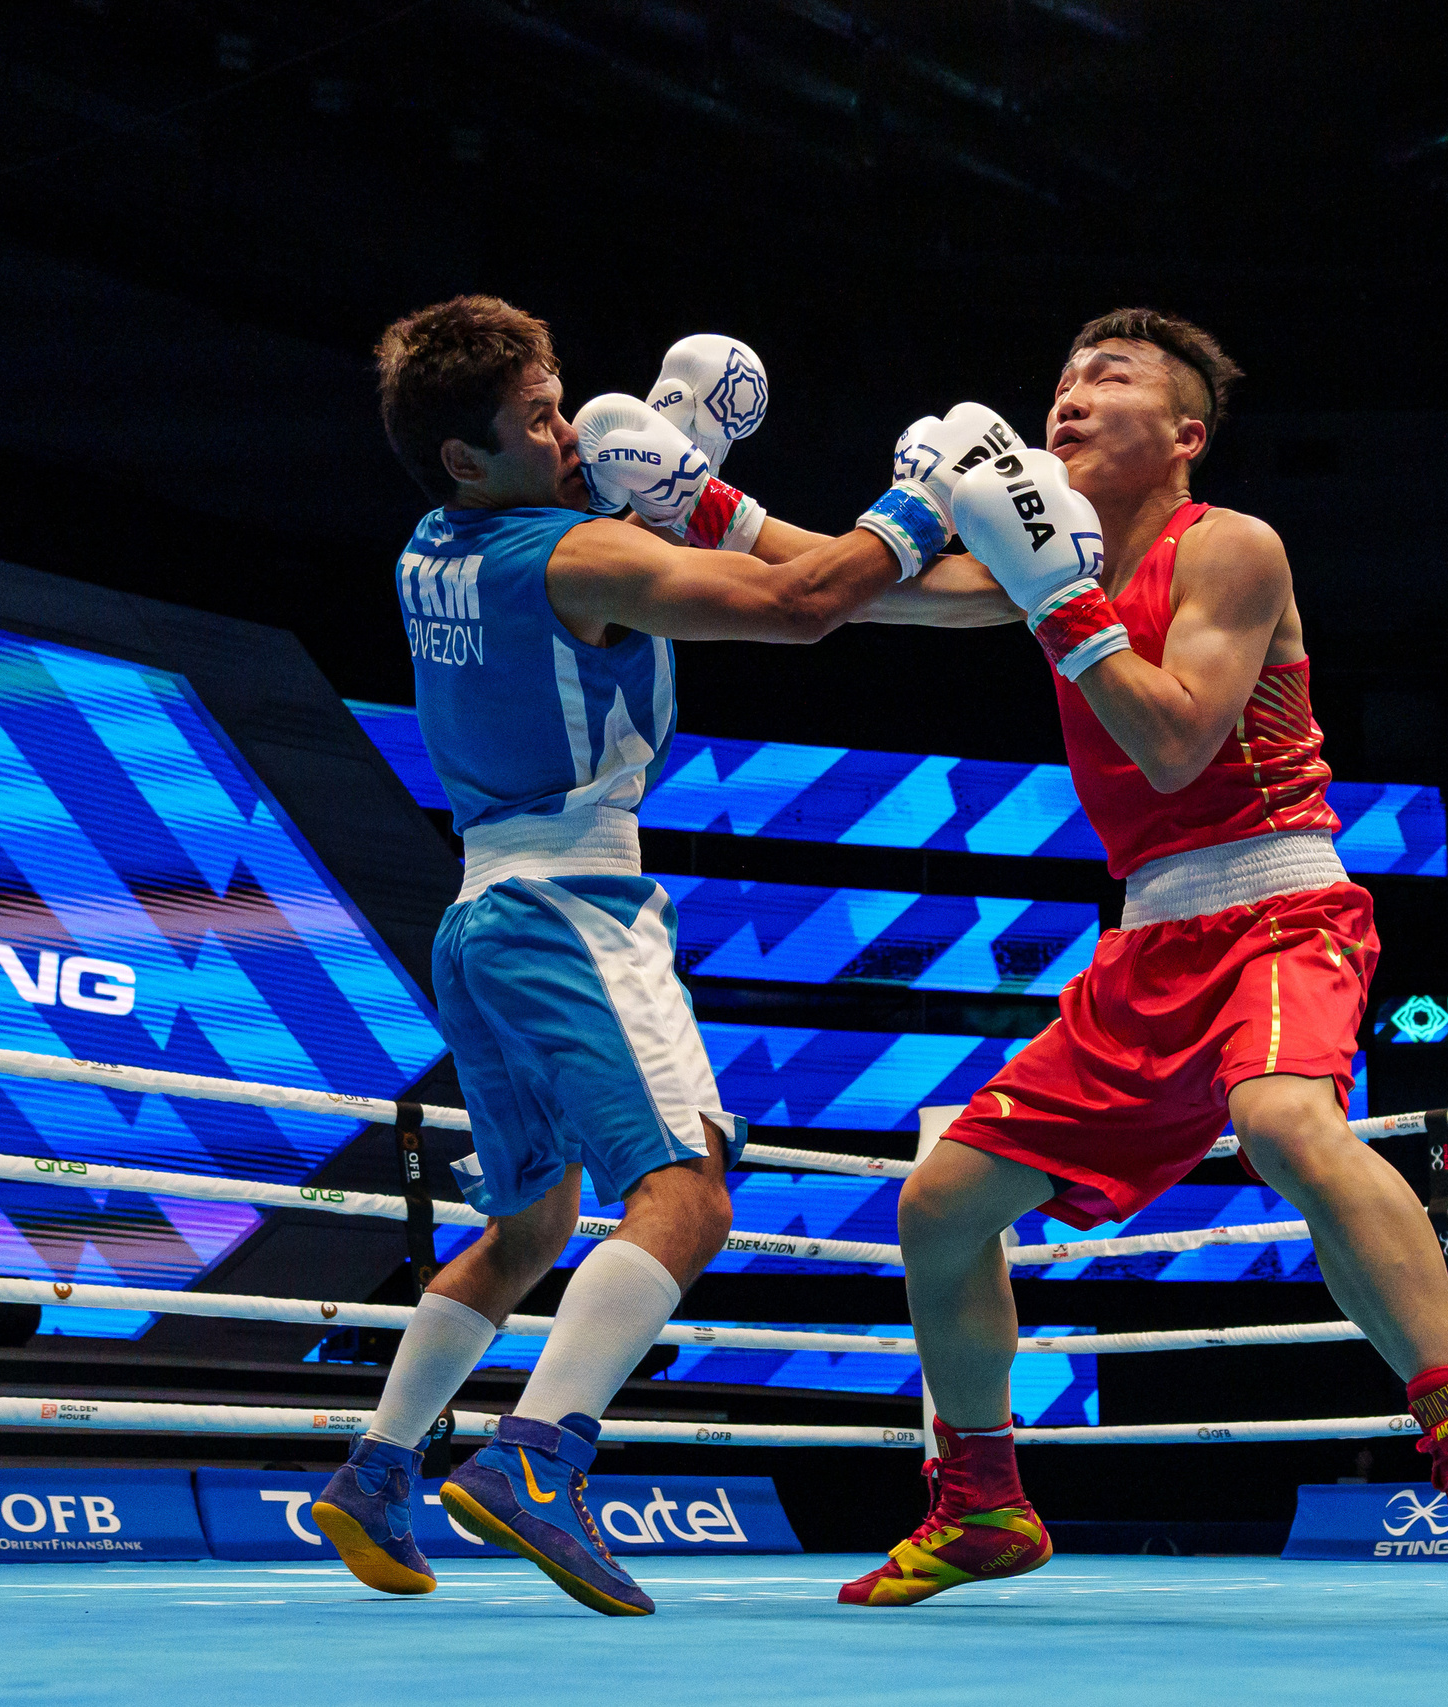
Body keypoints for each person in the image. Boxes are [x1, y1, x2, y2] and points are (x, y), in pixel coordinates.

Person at [838, 310, 1448, 1623]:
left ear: (1184, 433)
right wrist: (690, 509)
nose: (1068, 396)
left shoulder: (1228, 545)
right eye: (1058, 379)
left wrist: (1057, 598)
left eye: (1107, 378)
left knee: (1283, 1117)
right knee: (940, 1207)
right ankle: (985, 1499)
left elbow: (1174, 744)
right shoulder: (1040, 562)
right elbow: (830, 595)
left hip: (1281, 900)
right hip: (1148, 937)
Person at [312, 296, 1010, 1616]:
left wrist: (678, 472)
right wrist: (924, 501)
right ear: (468, 455)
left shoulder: (432, 542)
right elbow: (802, 606)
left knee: (532, 1225)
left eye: (562, 396)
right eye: (537, 420)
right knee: (688, 1192)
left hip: (478, 913)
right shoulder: (572, 560)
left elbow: (614, 540)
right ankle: (538, 1452)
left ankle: (377, 1465)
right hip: (573, 908)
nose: (570, 430)